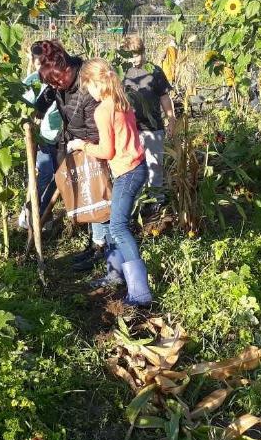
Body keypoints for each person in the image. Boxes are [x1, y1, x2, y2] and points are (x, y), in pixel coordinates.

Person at [67, 58, 152, 307]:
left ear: (95, 83)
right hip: (137, 167)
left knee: (118, 228)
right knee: (115, 224)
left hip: (127, 172)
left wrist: (82, 145)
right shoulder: (121, 100)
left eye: (88, 87)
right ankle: (116, 276)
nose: (89, 93)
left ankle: (140, 292)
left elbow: (106, 150)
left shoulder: (103, 109)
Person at [32, 41, 109, 270]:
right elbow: (47, 97)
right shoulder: (59, 82)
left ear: (68, 68)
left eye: (58, 80)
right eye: (52, 82)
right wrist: (36, 113)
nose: (57, 85)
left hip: (90, 145)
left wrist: (84, 146)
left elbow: (96, 128)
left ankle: (102, 247)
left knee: (98, 195)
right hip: (72, 143)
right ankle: (95, 242)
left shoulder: (87, 86)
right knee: (86, 196)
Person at [122, 35, 176, 213]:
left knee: (155, 166)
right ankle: (137, 201)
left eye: (138, 54)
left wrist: (171, 118)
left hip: (153, 127)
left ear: (144, 52)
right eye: (130, 55)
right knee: (134, 167)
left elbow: (164, 96)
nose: (135, 59)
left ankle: (156, 200)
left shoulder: (154, 71)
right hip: (131, 129)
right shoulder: (123, 73)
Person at [20, 44, 62, 226]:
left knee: (60, 176)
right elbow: (24, 108)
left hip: (60, 136)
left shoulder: (58, 78)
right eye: (37, 65)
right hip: (42, 136)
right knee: (45, 173)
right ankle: (30, 214)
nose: (40, 69)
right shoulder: (34, 81)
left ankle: (44, 212)